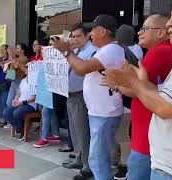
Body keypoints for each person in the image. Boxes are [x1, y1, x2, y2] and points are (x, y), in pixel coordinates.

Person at [103, 1, 172, 179]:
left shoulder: (161, 53)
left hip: (168, 164)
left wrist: (125, 83)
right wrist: (138, 83)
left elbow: (165, 106)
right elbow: (161, 92)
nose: (169, 24)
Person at [52, 15, 126, 180]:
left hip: (104, 112)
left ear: (102, 31)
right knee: (99, 156)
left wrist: (66, 51)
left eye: (92, 30)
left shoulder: (111, 49)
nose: (91, 33)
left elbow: (82, 68)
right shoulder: (105, 49)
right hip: (100, 111)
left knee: (97, 159)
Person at [59, 23, 97, 180]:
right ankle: (79, 157)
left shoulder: (91, 50)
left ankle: (88, 166)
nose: (75, 39)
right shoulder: (76, 51)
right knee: (74, 131)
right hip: (70, 94)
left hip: (81, 95)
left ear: (87, 35)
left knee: (82, 131)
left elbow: (82, 69)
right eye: (73, 36)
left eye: (78, 36)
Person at [112, 24, 145, 179]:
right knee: (122, 134)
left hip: (126, 99)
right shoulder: (136, 50)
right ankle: (119, 159)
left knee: (123, 134)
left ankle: (124, 165)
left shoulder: (126, 53)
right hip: (127, 98)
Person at [3, 64, 36, 141]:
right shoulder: (23, 80)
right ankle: (20, 129)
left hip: (30, 104)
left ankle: (22, 131)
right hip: (20, 102)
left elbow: (34, 97)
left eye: (29, 68)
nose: (27, 70)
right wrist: (15, 99)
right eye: (26, 68)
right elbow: (19, 92)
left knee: (16, 113)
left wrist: (22, 102)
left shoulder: (35, 81)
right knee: (6, 112)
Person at [4, 43, 30, 128]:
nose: (16, 49)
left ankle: (18, 123)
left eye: (18, 48)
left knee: (17, 102)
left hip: (20, 82)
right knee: (9, 102)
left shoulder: (25, 58)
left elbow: (21, 68)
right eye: (15, 48)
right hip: (13, 81)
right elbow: (12, 69)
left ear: (23, 50)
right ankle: (12, 121)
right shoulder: (16, 59)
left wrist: (11, 56)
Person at [0, 44, 10, 128]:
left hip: (5, 82)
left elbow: (8, 72)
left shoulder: (9, 60)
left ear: (7, 51)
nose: (2, 52)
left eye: (3, 50)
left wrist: (2, 64)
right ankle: (0, 117)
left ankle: (5, 119)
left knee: (4, 101)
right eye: (1, 50)